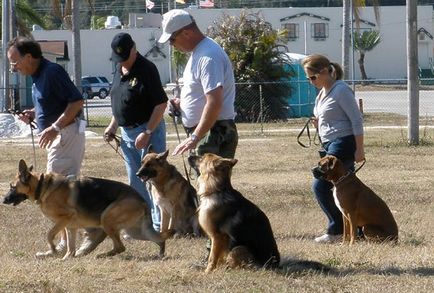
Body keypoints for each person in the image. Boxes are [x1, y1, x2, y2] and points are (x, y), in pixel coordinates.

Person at [7, 36, 86, 252]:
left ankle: (65, 244)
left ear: (30, 57)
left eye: (15, 61)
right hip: (58, 136)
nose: (13, 67)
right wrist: (34, 114)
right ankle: (71, 240)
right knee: (56, 191)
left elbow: (77, 101)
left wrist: (55, 127)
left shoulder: (52, 72)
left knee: (57, 192)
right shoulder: (37, 75)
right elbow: (52, 103)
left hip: (65, 135)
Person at [105, 32, 168, 230]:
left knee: (154, 180)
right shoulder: (118, 68)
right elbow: (121, 101)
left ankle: (158, 225)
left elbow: (161, 104)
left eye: (125, 57)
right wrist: (113, 125)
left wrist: (147, 132)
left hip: (148, 130)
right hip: (126, 133)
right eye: (118, 59)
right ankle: (141, 221)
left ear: (134, 49)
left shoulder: (147, 69)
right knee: (135, 180)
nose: (122, 62)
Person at [302, 54, 365, 243]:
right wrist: (318, 125)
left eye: (313, 77)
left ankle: (337, 229)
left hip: (343, 142)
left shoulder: (341, 90)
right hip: (330, 143)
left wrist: (359, 149)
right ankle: (356, 231)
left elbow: (356, 120)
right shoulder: (322, 93)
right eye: (308, 79)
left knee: (321, 184)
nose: (311, 81)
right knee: (346, 189)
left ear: (324, 71)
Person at [158, 9, 238, 158]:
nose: (171, 45)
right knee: (203, 181)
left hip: (214, 133)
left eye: (172, 39)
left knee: (211, 181)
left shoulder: (208, 57)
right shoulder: (199, 53)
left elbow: (214, 102)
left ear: (186, 33)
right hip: (207, 132)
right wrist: (182, 104)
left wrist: (195, 137)